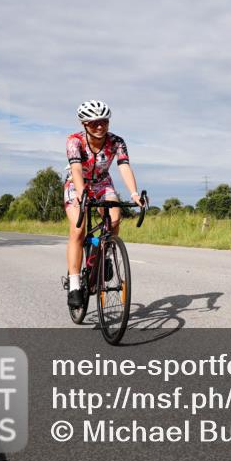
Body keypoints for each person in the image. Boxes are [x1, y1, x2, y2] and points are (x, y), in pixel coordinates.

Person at [63, 100, 144, 309]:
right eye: (94, 123)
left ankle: (105, 253)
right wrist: (81, 193)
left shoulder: (117, 141)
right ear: (84, 124)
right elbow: (77, 169)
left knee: (115, 218)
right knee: (78, 229)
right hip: (77, 184)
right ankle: (74, 285)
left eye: (104, 122)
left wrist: (134, 194)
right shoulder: (74, 141)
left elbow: (124, 167)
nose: (100, 127)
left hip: (103, 183)